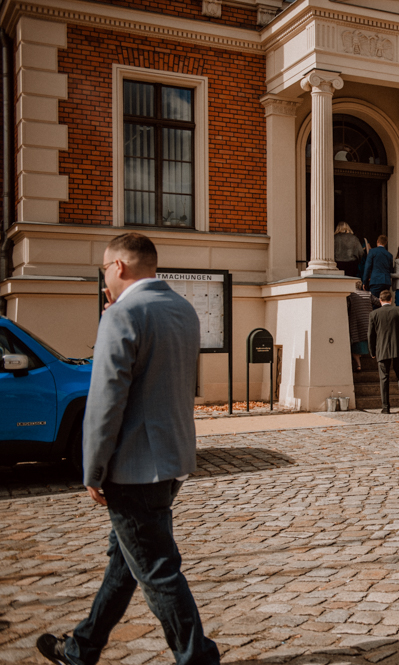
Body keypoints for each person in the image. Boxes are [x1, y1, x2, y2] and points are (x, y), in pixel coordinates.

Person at [36, 233, 220, 665]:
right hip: (171, 458)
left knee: (157, 569)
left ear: (118, 267)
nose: (104, 278)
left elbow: (105, 402)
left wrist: (92, 469)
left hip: (133, 467)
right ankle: (82, 648)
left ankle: (198, 659)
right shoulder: (183, 309)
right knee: (126, 561)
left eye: (104, 269)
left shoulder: (122, 314)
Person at [368, 289, 399, 414]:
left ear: (380, 300)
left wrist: (372, 351)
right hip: (398, 348)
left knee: (384, 378)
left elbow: (371, 335)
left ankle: (385, 407)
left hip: (382, 350)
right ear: (391, 299)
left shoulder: (374, 314)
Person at [346, 280, 375, 372]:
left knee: (355, 345)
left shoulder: (350, 296)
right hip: (368, 322)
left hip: (356, 323)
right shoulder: (368, 294)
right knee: (367, 340)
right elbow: (379, 302)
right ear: (362, 286)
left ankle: (358, 365)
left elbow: (345, 307)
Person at [362, 235, 394, 300]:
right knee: (385, 301)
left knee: (374, 302)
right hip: (386, 281)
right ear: (385, 243)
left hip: (376, 281)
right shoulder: (389, 255)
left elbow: (367, 267)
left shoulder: (372, 252)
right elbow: (391, 269)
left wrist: (364, 282)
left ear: (377, 241)